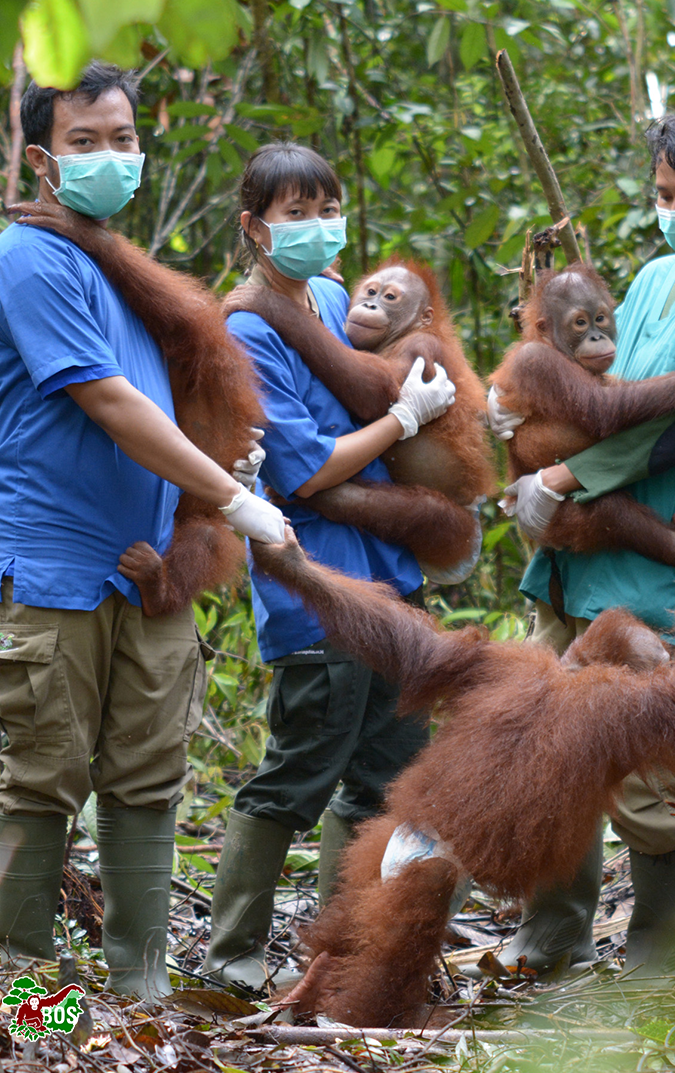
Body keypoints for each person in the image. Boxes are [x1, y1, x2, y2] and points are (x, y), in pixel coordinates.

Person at [0, 63, 285, 1000]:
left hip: (145, 578)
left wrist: (223, 471)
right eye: (84, 143)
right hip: (54, 572)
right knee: (44, 785)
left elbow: (167, 396)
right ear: (41, 159)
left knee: (149, 783)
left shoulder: (117, 268)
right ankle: (36, 1018)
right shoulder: (27, 261)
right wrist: (231, 504)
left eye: (121, 140)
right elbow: (107, 402)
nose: (109, 157)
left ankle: (140, 1001)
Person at [492, 105, 675, 980]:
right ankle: (555, 936)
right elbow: (608, 388)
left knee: (648, 774)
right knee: (551, 746)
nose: (664, 211)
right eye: (659, 194)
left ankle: (660, 954)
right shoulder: (662, 272)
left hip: (658, 551)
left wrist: (564, 479)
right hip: (579, 555)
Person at [201, 142, 456, 992]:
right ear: (254, 227)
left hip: (393, 587)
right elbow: (302, 470)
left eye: (325, 209)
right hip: (317, 594)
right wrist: (406, 423)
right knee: (297, 775)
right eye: (294, 213)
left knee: (388, 781)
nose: (315, 227)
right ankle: (232, 955)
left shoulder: (339, 299)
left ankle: (344, 953)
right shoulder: (245, 330)